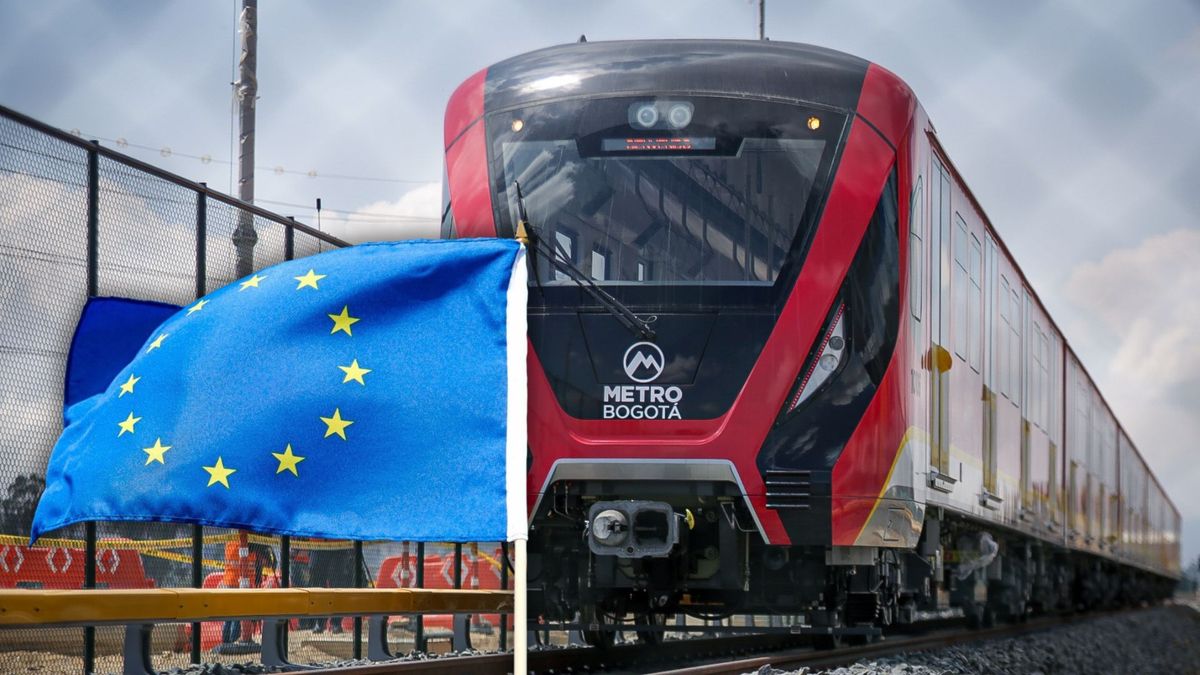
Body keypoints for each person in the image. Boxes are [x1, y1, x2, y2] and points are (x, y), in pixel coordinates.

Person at [309, 545, 354, 634]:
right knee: (317, 585)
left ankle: (336, 623)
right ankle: (320, 621)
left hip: (338, 546)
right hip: (318, 545)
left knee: (337, 585)